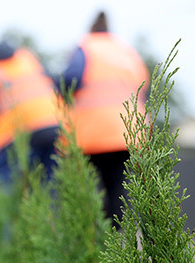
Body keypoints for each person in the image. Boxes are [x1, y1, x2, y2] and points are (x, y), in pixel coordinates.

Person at [56, 11, 150, 227]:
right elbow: (145, 86)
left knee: (88, 193)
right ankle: (116, 245)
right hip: (129, 133)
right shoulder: (127, 51)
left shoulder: (86, 46)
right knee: (118, 192)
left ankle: (93, 242)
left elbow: (70, 80)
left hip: (93, 134)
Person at [0, 37, 61, 184]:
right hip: (53, 123)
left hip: (16, 131)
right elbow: (56, 83)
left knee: (8, 186)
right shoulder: (25, 56)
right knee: (50, 184)